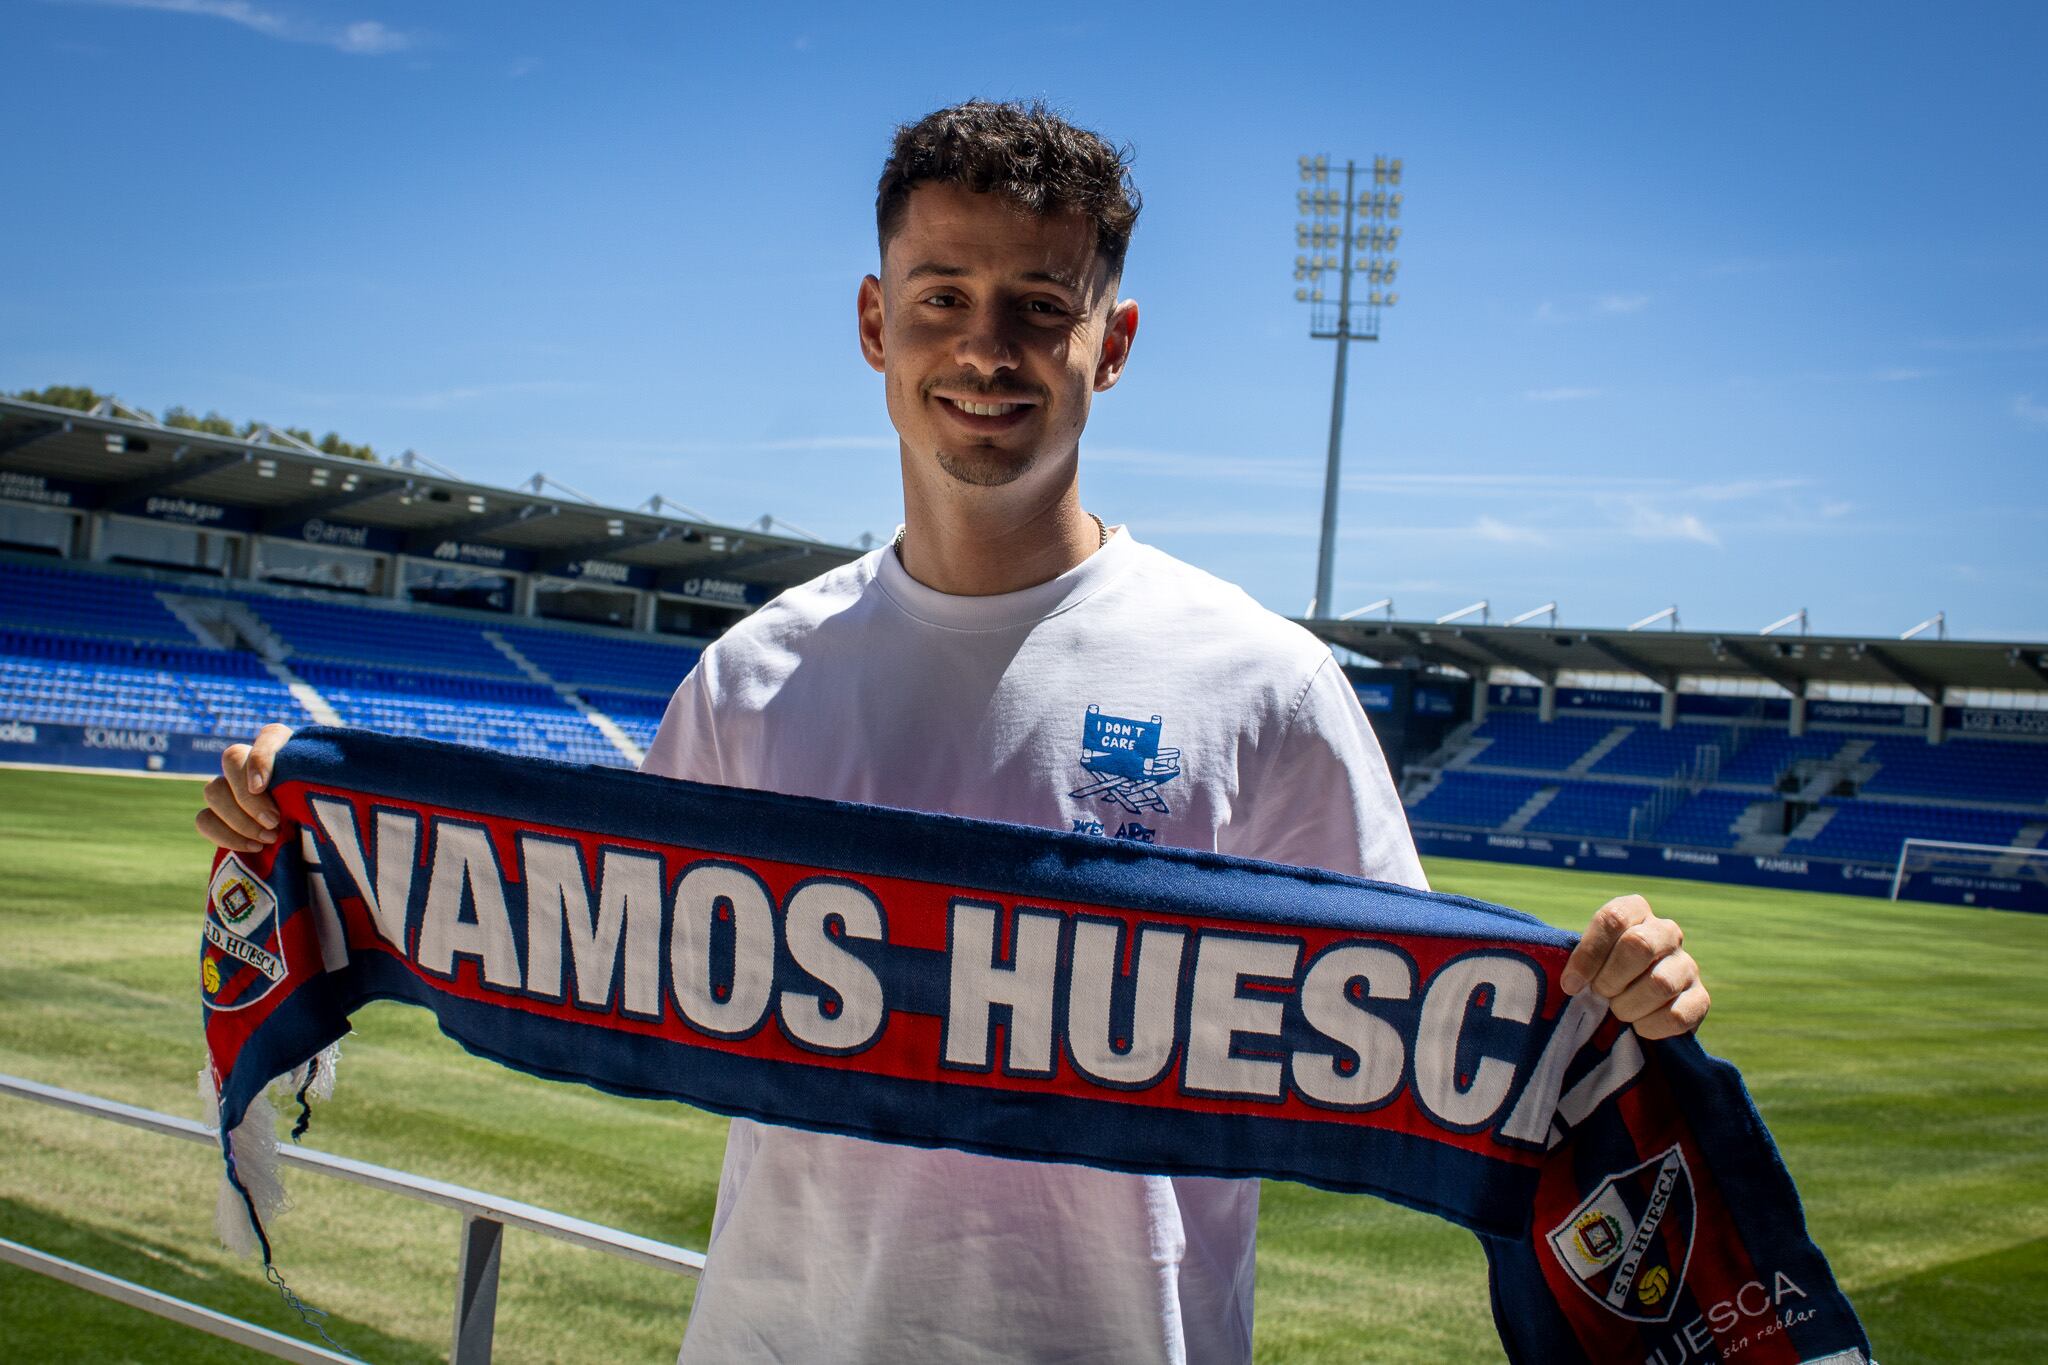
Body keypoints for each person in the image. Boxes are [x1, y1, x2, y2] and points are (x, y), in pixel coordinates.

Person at [197, 99, 1709, 1365]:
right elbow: (596, 945)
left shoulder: (1265, 685)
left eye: (1041, 308)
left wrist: (1612, 998)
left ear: (1112, 342)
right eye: (943, 296)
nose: (986, 346)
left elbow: (1436, 1034)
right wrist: (316, 839)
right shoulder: (750, 677)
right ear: (876, 320)